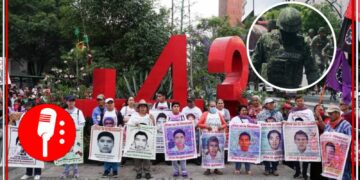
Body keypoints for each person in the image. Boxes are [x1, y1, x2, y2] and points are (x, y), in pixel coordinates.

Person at [252, 7, 319, 88]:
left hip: (292, 89)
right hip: (268, 87)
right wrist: (254, 86)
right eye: (286, 32)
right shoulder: (266, 39)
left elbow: (311, 69)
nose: (289, 34)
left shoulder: (302, 44)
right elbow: (255, 63)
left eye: (292, 33)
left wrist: (313, 87)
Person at [319, 104, 352, 180]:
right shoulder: (328, 125)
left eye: (331, 113)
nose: (329, 115)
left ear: (337, 113)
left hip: (342, 160)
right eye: (328, 114)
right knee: (331, 176)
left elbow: (350, 141)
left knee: (343, 176)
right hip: (330, 159)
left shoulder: (346, 125)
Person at [127, 99, 155, 180]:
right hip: (136, 140)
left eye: (144, 107)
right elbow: (129, 125)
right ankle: (138, 172)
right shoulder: (134, 116)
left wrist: (153, 120)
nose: (143, 108)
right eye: (141, 107)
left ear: (147, 108)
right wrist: (134, 124)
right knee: (137, 157)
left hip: (146, 141)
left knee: (147, 157)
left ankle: (147, 172)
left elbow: (153, 128)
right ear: (138, 108)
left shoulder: (149, 116)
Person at [198, 101, 227, 175]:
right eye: (211, 106)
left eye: (214, 106)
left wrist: (221, 127)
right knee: (206, 152)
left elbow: (225, 124)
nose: (213, 108)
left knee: (218, 153)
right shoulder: (205, 114)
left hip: (218, 137)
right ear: (208, 107)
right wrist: (206, 126)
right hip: (207, 137)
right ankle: (207, 169)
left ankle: (216, 169)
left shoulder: (219, 114)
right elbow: (199, 124)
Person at [61, 95, 85, 179]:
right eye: (69, 101)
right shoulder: (63, 111)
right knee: (67, 154)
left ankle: (76, 171)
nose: (71, 103)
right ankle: (65, 171)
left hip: (76, 136)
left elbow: (82, 124)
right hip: (66, 136)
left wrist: (75, 128)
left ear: (74, 102)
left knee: (75, 153)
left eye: (72, 101)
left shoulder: (79, 112)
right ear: (66, 102)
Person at [256, 98, 283, 176]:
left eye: (272, 103)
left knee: (276, 153)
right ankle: (267, 168)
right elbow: (258, 123)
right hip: (266, 137)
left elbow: (281, 123)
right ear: (266, 105)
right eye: (269, 103)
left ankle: (274, 169)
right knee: (266, 153)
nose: (271, 104)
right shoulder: (261, 114)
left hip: (276, 137)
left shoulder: (278, 114)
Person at [99, 98, 123, 178]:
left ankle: (115, 171)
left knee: (115, 154)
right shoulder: (103, 113)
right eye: (108, 103)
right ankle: (106, 170)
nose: (110, 104)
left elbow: (121, 123)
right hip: (106, 136)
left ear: (113, 104)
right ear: (105, 104)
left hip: (115, 136)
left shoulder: (117, 112)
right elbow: (100, 124)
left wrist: (120, 126)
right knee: (106, 154)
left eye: (111, 103)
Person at [19, 101, 42, 180]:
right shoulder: (24, 115)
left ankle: (37, 173)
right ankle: (28, 173)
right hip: (27, 138)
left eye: (29, 106)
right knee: (28, 156)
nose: (27, 107)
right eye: (27, 106)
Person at [230, 105, 254, 175]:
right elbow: (231, 127)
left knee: (247, 155)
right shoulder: (235, 119)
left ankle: (248, 169)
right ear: (239, 111)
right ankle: (237, 169)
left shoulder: (250, 119)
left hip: (247, 141)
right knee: (238, 155)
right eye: (242, 110)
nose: (244, 112)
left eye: (245, 110)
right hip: (239, 141)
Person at [167, 102, 188, 177]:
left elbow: (186, 125)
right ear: (172, 108)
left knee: (183, 155)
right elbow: (166, 127)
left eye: (177, 106)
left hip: (181, 139)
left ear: (179, 108)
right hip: (173, 139)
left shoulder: (183, 116)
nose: (176, 107)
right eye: (174, 106)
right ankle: (176, 171)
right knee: (174, 156)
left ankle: (184, 170)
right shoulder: (169, 116)